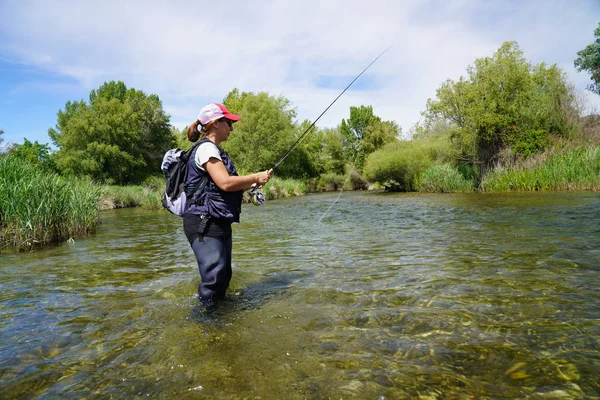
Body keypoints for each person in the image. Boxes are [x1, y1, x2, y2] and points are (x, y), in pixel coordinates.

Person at [183, 103, 271, 307]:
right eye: (229, 122)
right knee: (214, 277)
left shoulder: (214, 151)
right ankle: (204, 323)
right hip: (203, 222)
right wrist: (255, 176)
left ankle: (220, 318)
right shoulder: (206, 149)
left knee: (223, 275)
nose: (232, 128)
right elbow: (225, 182)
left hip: (216, 220)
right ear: (215, 124)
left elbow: (223, 188)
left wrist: (252, 182)